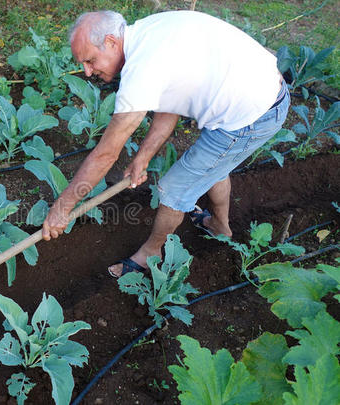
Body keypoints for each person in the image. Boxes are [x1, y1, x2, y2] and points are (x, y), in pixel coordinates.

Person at [41, 10, 290, 277]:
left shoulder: (141, 70)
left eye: (90, 60)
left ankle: (150, 254)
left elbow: (106, 154)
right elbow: (171, 102)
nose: (88, 72)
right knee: (213, 167)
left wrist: (61, 209)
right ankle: (219, 226)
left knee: (173, 189)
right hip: (256, 97)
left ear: (112, 42)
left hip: (253, 116)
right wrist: (143, 157)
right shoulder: (149, 33)